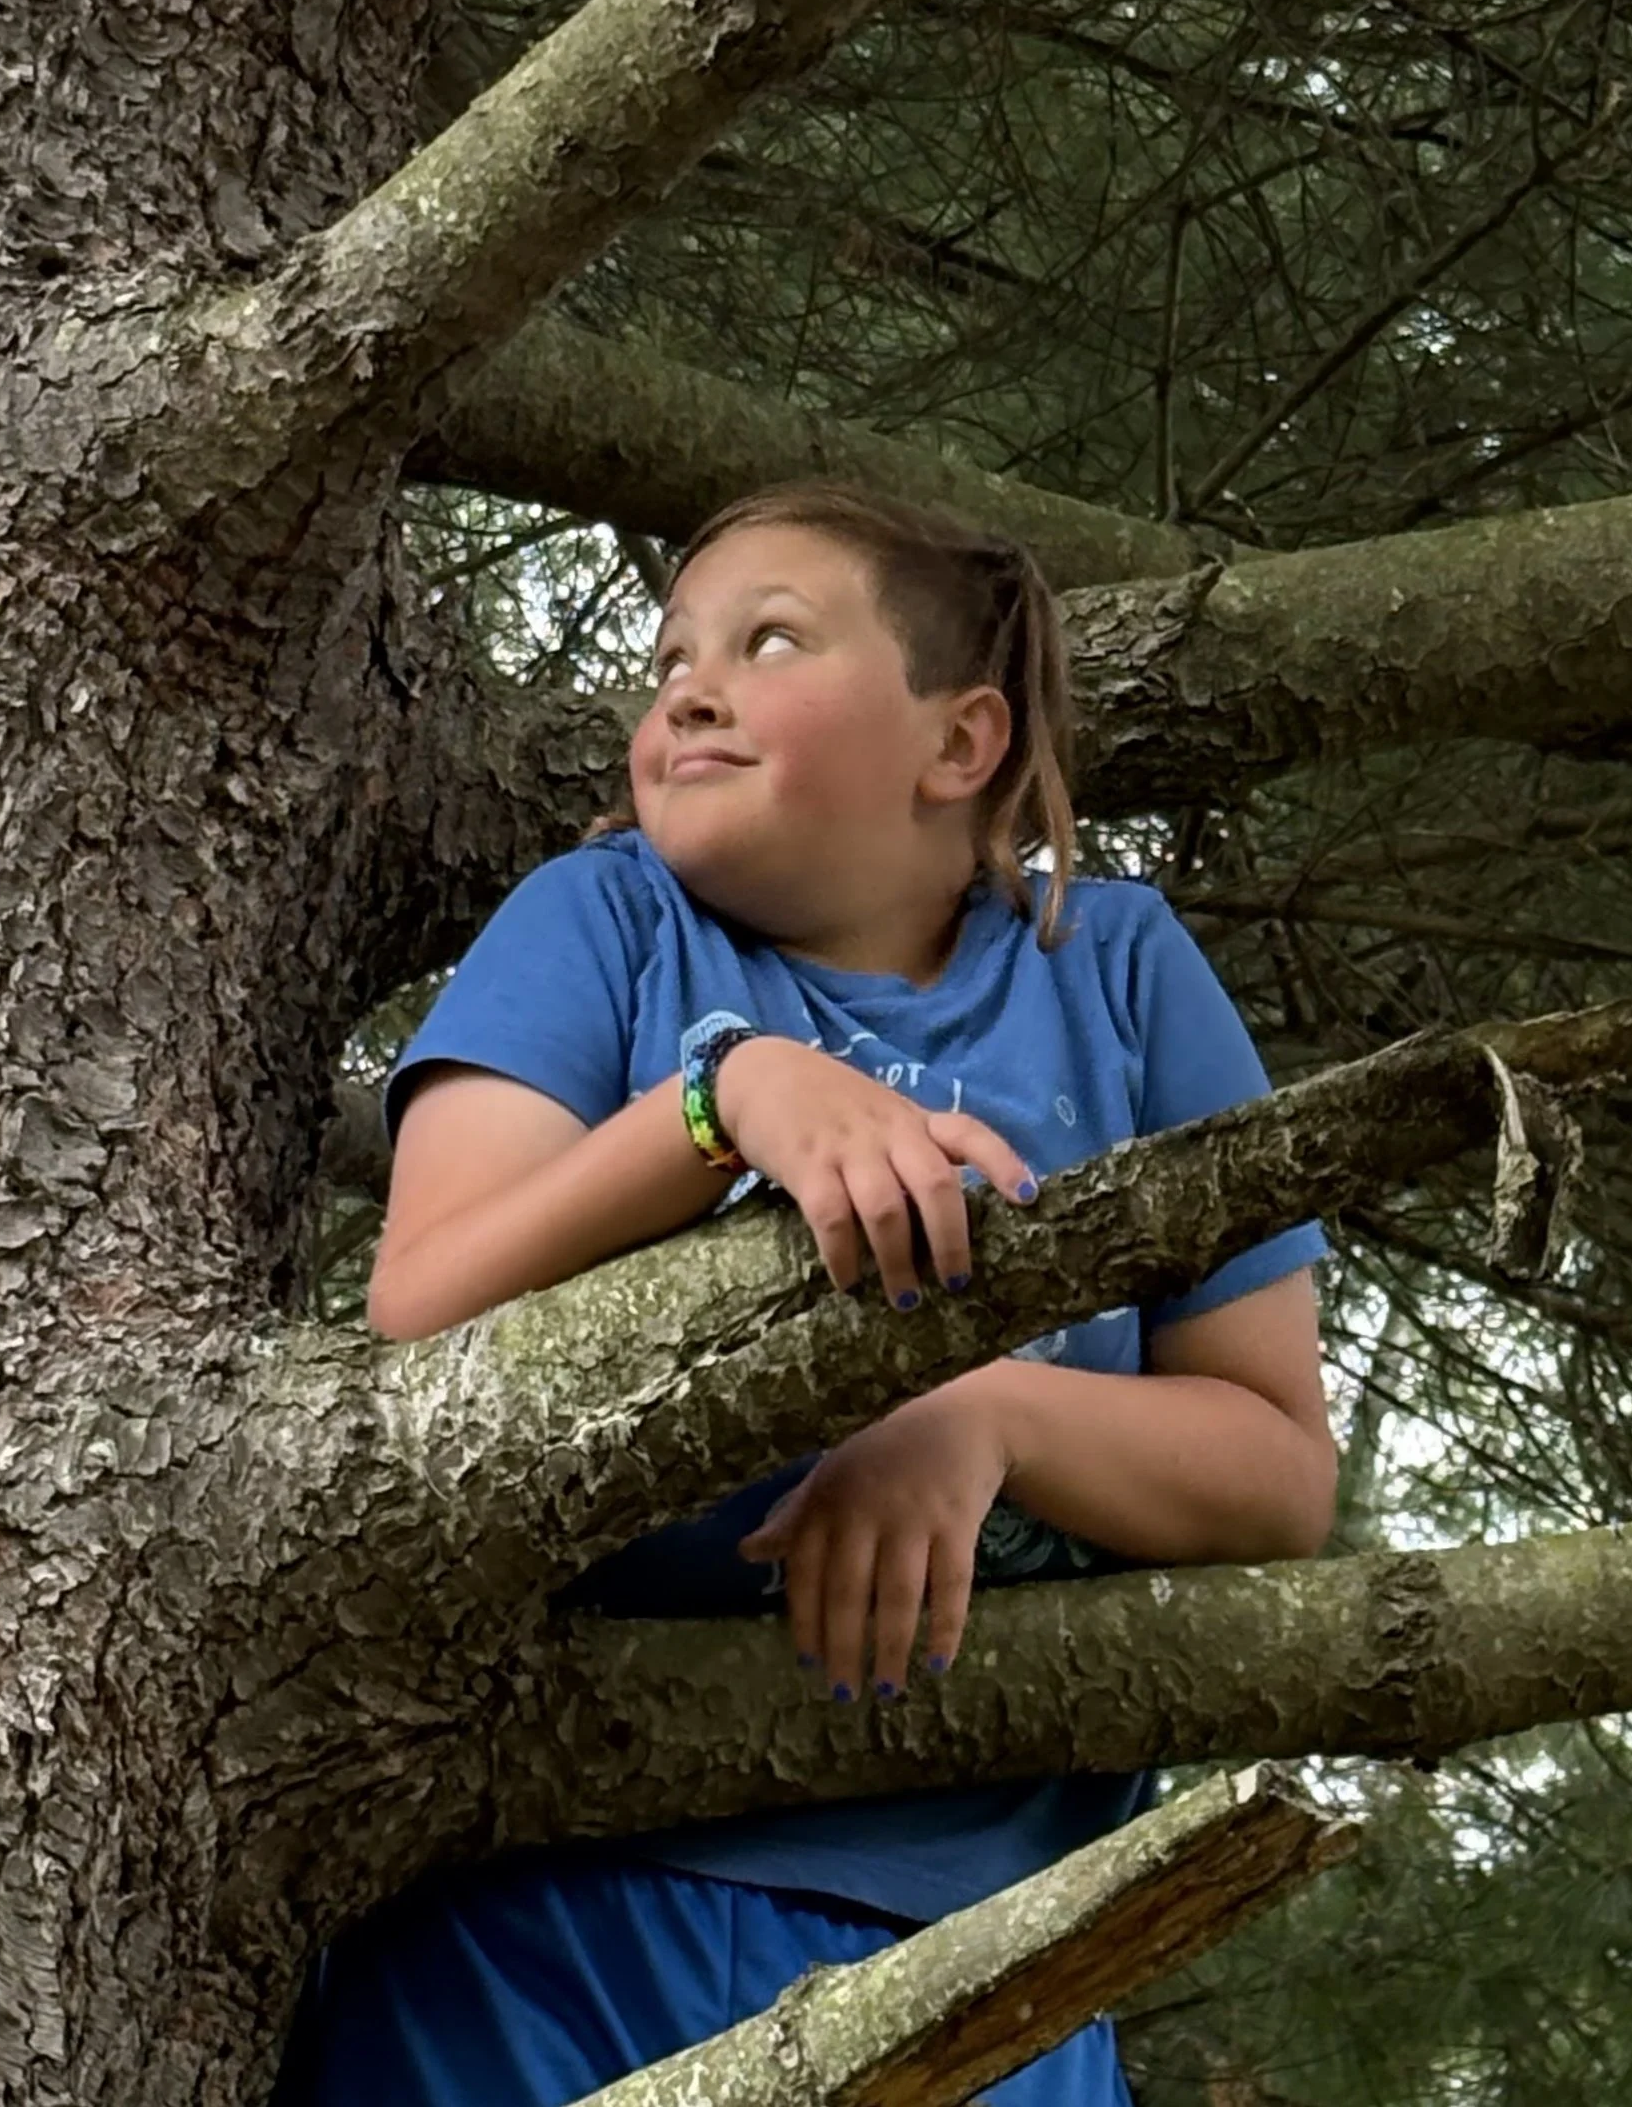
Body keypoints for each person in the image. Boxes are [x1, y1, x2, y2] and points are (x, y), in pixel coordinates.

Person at [272, 484, 1337, 2107]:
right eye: (669, 656)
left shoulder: (1112, 971)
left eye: (768, 640)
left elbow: (1274, 1466)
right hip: (532, 1896)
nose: (686, 688)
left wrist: (982, 1413)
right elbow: (418, 1317)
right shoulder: (604, 921)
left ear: (960, 742)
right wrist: (721, 1102)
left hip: (979, 1944)